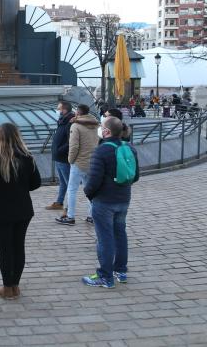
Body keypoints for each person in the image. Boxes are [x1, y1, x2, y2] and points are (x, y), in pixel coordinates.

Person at [82, 117, 139, 288]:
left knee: (105, 238)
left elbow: (93, 181)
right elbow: (135, 176)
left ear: (106, 131)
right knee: (120, 234)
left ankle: (105, 276)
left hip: (104, 201)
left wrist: (88, 194)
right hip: (123, 199)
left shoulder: (101, 151)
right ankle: (120, 271)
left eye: (102, 127)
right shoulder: (129, 147)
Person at [0, 123, 41, 300]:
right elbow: (36, 184)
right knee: (19, 247)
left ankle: (7, 288)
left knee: (5, 250)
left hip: (0, 211)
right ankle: (15, 286)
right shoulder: (27, 157)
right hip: (23, 209)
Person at [55, 104, 99, 226]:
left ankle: (70, 216)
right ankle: (91, 216)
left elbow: (74, 146)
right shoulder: (95, 124)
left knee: (72, 189)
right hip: (92, 162)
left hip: (79, 162)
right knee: (89, 190)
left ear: (78, 113)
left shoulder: (76, 125)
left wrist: (70, 160)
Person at [46, 101, 74, 210]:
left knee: (69, 183)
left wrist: (59, 150)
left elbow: (71, 141)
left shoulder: (69, 122)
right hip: (59, 157)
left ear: (64, 110)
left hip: (63, 157)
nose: (57, 111)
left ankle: (69, 207)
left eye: (59, 109)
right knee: (63, 182)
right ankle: (59, 202)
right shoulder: (62, 121)